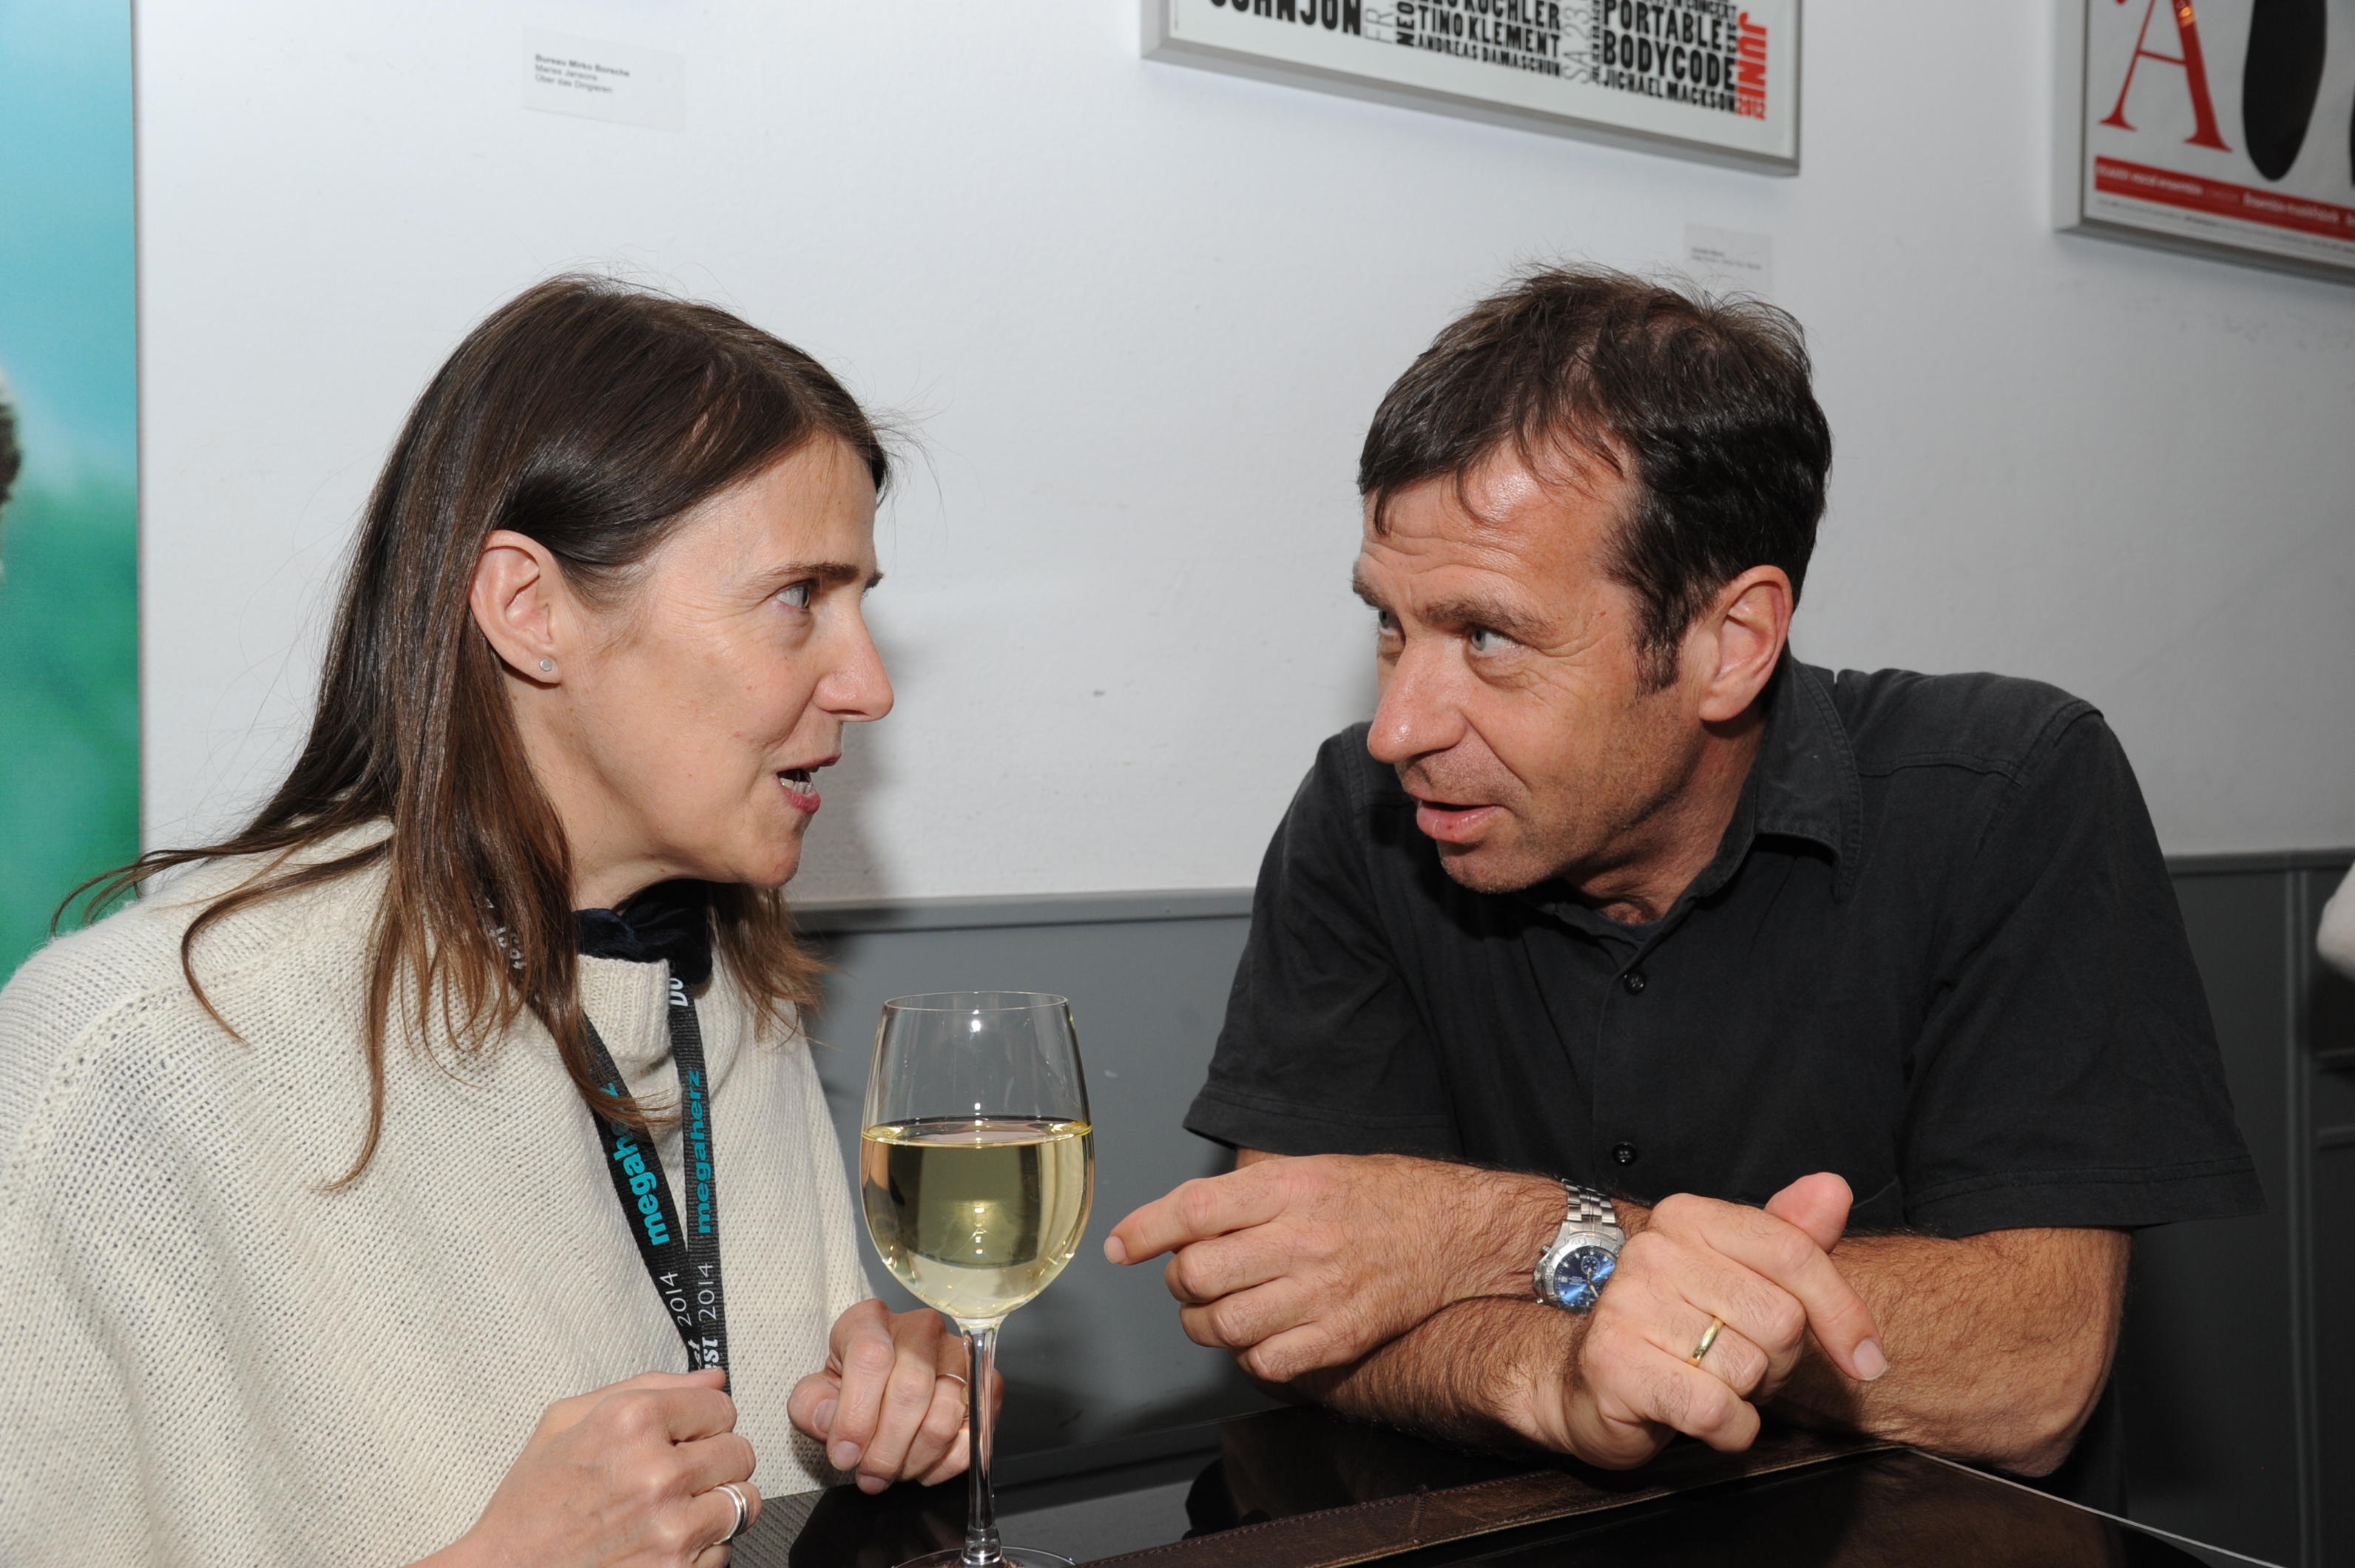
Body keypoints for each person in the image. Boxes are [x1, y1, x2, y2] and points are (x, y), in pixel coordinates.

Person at [1106, 266, 2261, 1511]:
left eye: (1487, 636)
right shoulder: (1364, 817)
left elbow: (2030, 1372)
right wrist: (1553, 1373)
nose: (1399, 726)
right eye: (1391, 624)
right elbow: (1292, 1305)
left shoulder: (2008, 793)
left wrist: (1509, 1236)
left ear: (1730, 644)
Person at [0, 278, 986, 1567]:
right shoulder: (128, 1052)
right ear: (529, 609)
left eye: (860, 601)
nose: (869, 684)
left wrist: (879, 1408)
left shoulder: (721, 988)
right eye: (800, 595)